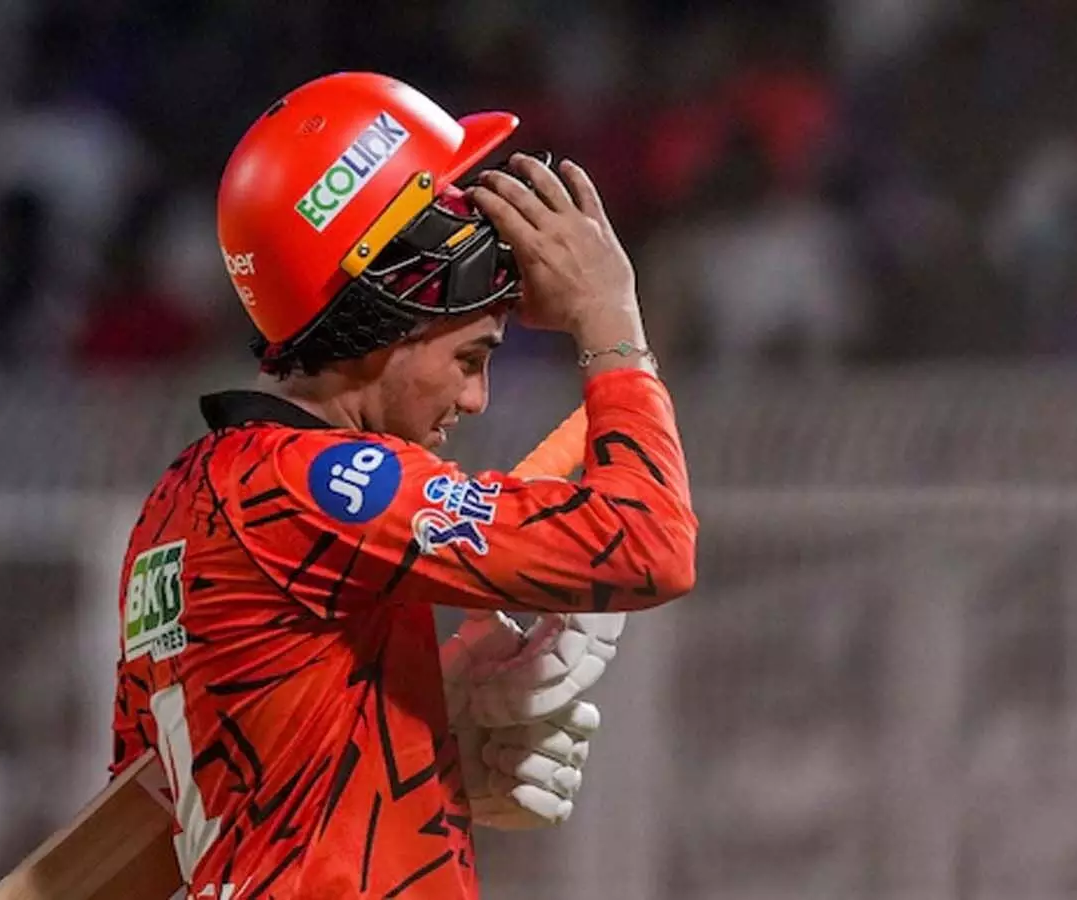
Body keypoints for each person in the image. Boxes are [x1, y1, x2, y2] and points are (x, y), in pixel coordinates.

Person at [110, 72, 698, 899]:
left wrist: (417, 741)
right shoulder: (316, 485)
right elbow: (649, 543)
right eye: (470, 356)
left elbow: (147, 824)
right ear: (390, 314)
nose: (476, 398)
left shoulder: (177, 507)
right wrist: (612, 326)